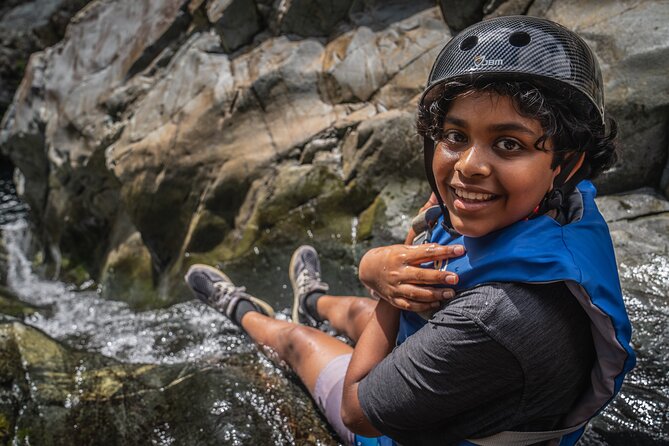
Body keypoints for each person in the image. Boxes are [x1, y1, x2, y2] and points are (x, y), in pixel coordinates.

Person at [185, 15, 635, 446]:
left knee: (299, 340)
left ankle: (242, 309)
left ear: (567, 161)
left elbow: (356, 408)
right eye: (455, 137)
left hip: (405, 422)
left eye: (508, 143)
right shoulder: (564, 208)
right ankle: (312, 299)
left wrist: (383, 284)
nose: (468, 167)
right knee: (363, 314)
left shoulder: (495, 318)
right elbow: (433, 219)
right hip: (474, 363)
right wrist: (382, 272)